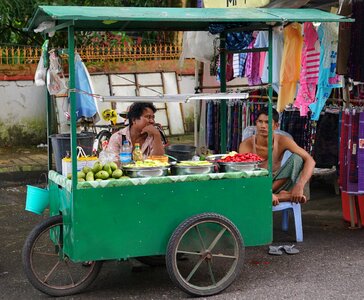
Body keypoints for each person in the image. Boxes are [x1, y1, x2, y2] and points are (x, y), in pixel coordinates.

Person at [238, 107, 315, 206]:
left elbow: (310, 160)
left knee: (298, 158)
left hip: (277, 184)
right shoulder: (246, 144)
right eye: (260, 122)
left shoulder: (282, 141)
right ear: (256, 124)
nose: (263, 126)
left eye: (267, 122)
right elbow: (245, 175)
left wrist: (300, 185)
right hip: (255, 185)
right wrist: (265, 191)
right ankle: (279, 196)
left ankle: (271, 194)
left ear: (276, 126)